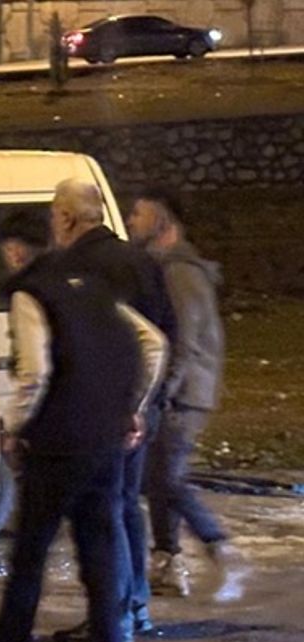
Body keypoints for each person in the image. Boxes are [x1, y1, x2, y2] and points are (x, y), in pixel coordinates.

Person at [0, 182, 168, 642]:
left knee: (29, 558)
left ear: (15, 250)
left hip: (56, 445)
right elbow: (154, 343)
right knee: (102, 563)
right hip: (105, 444)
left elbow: (35, 371)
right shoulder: (93, 287)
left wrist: (14, 427)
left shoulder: (32, 293)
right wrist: (132, 407)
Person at [45, 180, 176, 642]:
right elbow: (166, 331)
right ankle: (134, 605)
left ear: (67, 217)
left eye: (54, 215)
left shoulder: (78, 268)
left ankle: (113, 617)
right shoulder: (139, 261)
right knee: (124, 507)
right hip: (142, 405)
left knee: (103, 513)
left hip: (107, 411)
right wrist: (150, 401)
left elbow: (91, 346)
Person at [127, 187, 246, 601]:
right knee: (158, 477)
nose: (131, 220)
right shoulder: (167, 269)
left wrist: (162, 392)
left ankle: (218, 544)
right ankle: (168, 563)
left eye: (139, 213)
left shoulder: (181, 272)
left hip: (185, 393)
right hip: (180, 391)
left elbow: (185, 342)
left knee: (163, 478)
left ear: (163, 221)